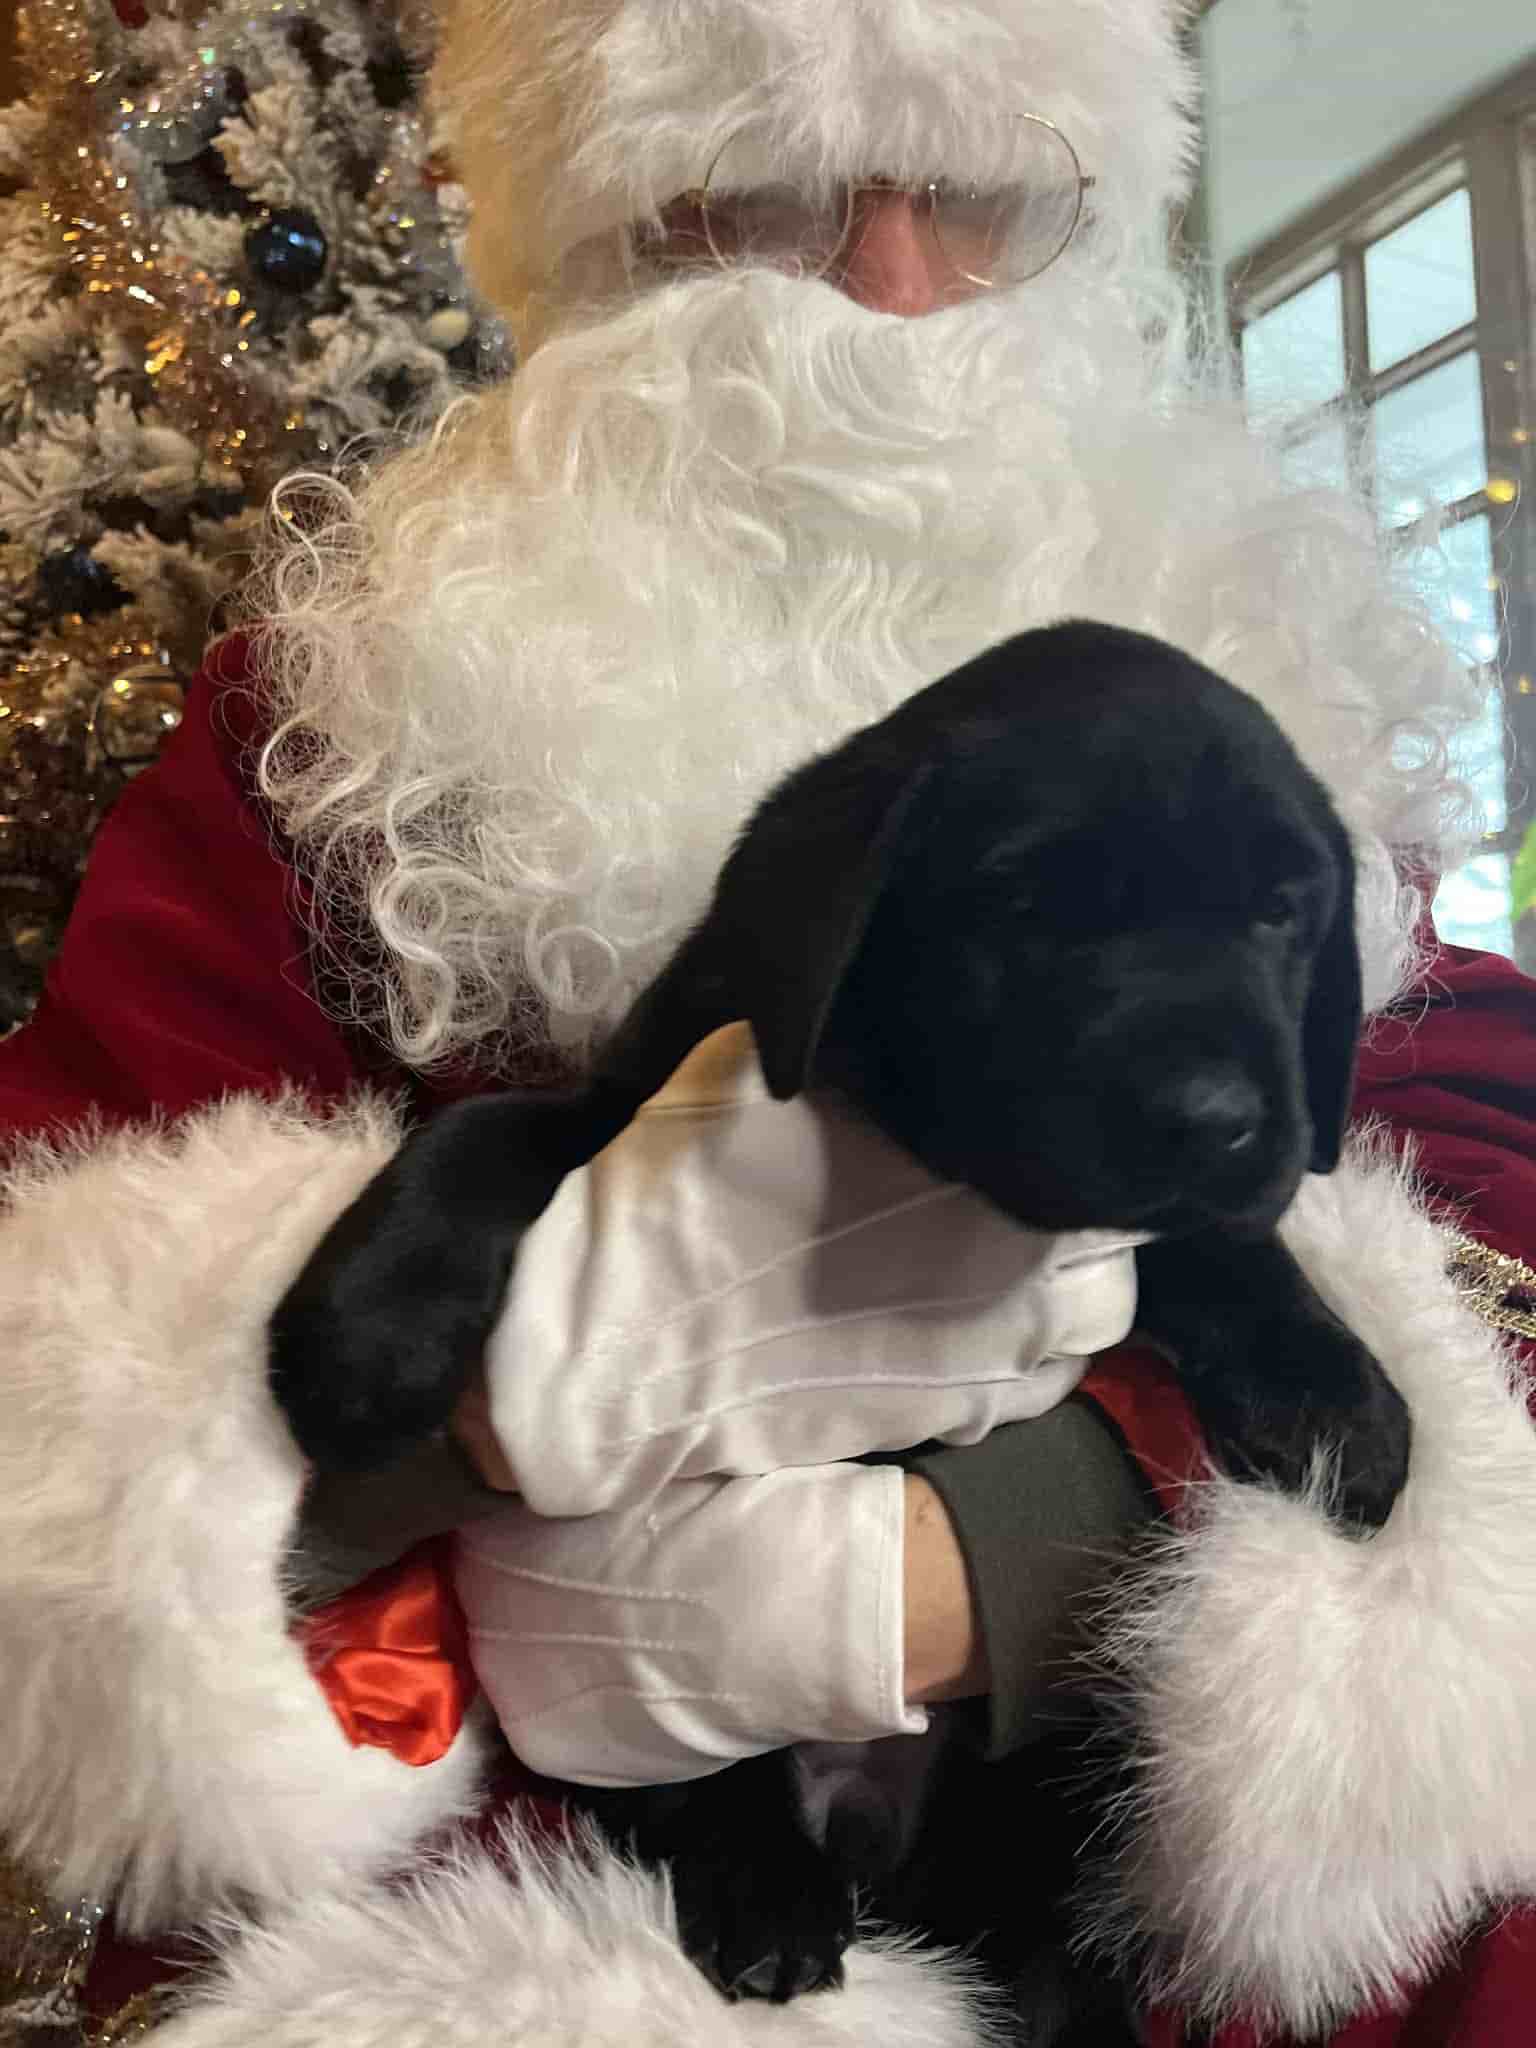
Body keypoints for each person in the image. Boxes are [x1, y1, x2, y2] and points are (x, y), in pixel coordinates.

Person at [4, 0, 1536, 2043]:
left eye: (981, 198)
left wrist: (1008, 1545)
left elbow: (1479, 1148)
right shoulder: (335, 718)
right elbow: (77, 1333)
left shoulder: (1245, 656)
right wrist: (480, 1427)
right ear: (587, 246)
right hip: (557, 1873)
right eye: (760, 202)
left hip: (1165, 1863)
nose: (893, 294)